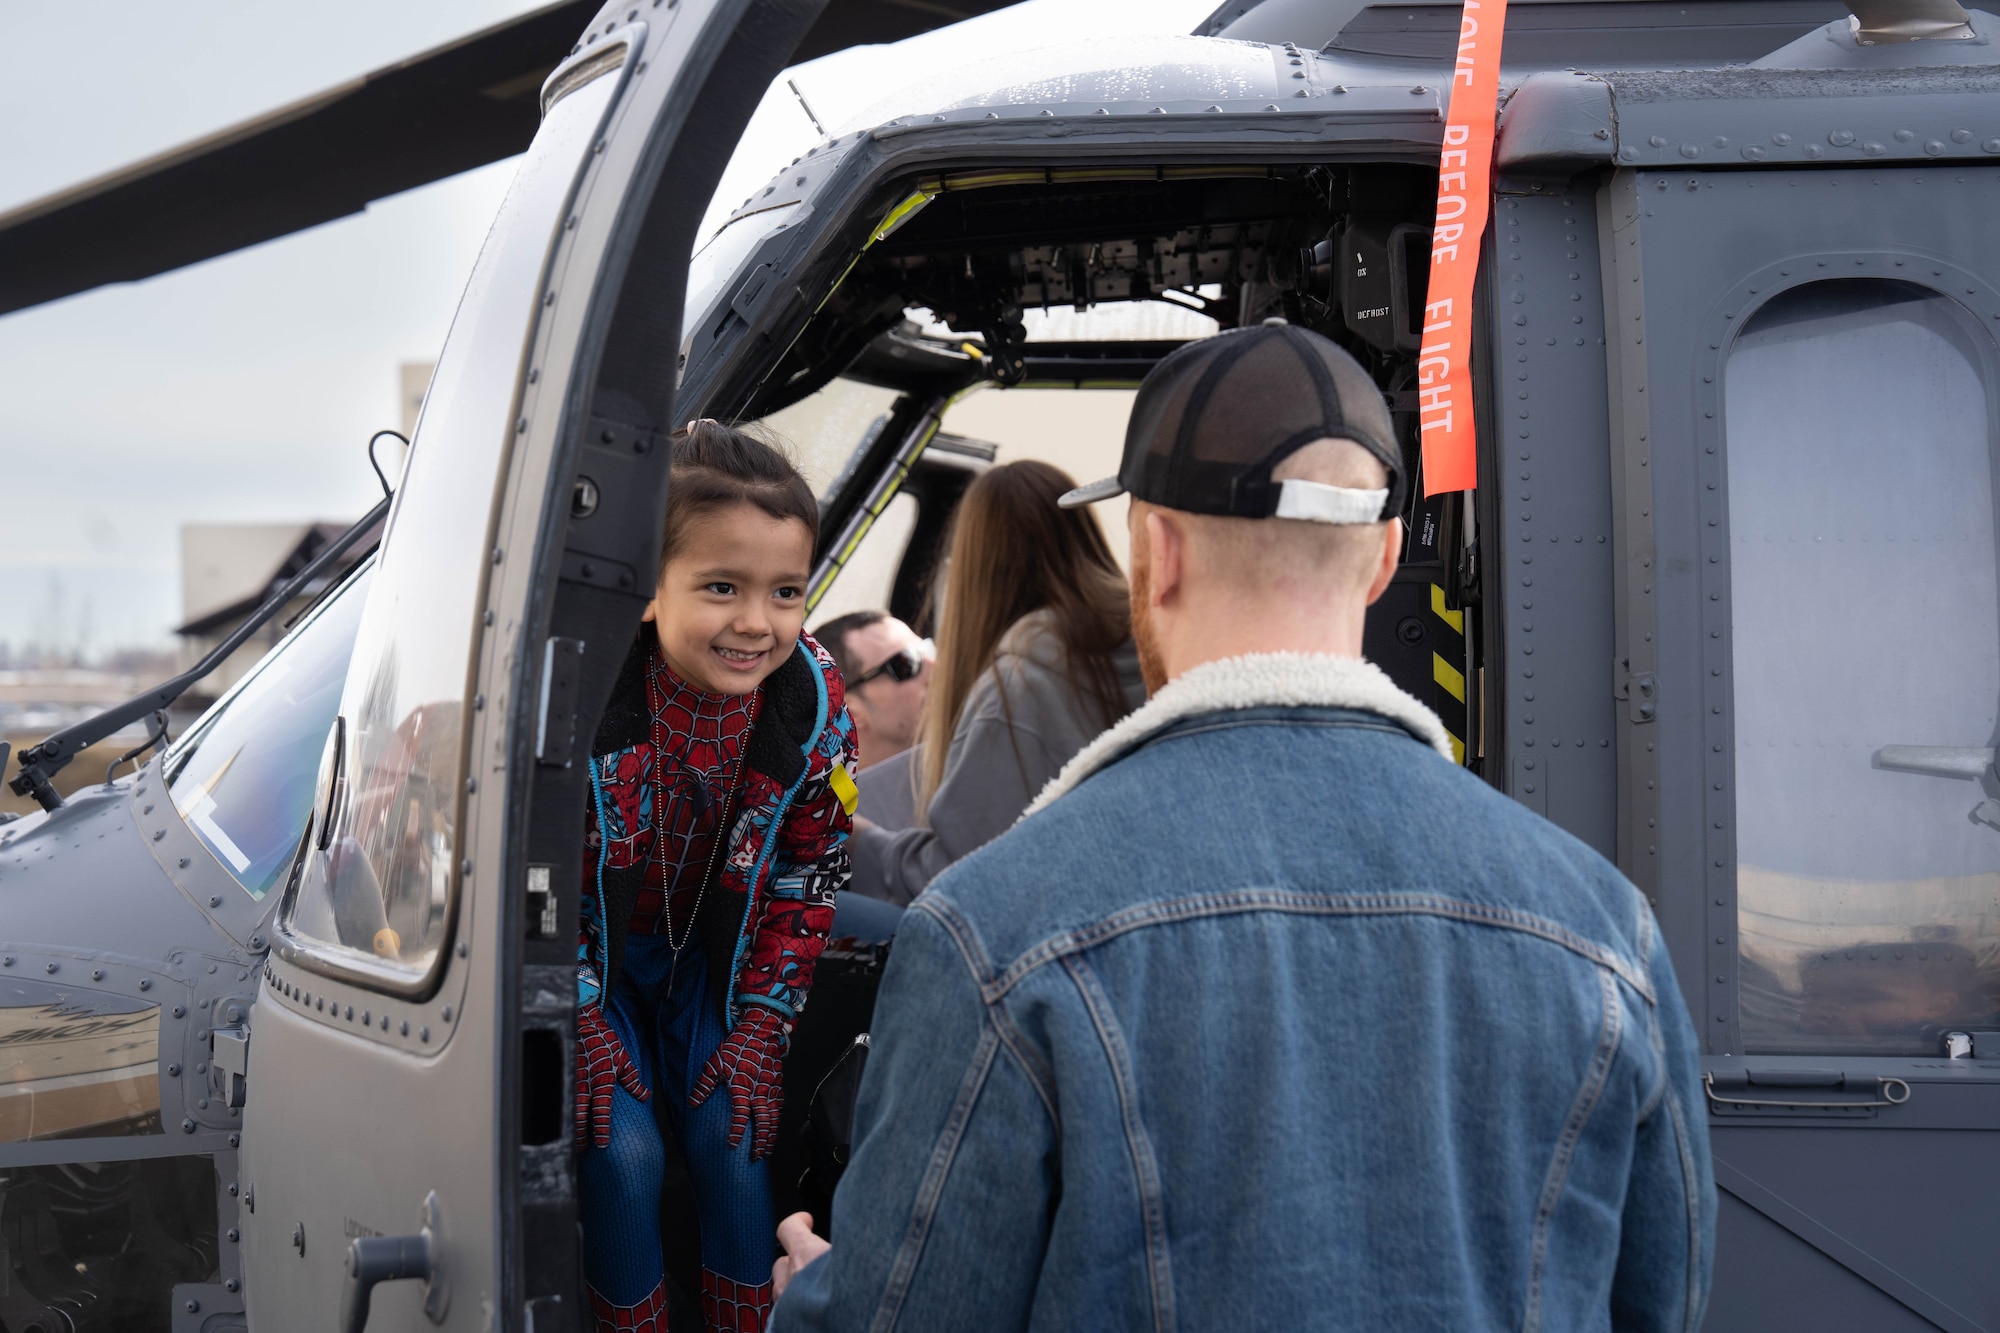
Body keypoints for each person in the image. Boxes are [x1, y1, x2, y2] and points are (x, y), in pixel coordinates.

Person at [768, 324, 1715, 1330]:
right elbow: (1665, 1301)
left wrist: (811, 1302)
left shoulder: (991, 929)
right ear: (1383, 556)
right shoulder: (1604, 925)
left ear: (1156, 553)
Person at [574, 421, 858, 1333]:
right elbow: (523, 880)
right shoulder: (578, 696)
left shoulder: (812, 704)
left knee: (738, 1142)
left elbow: (811, 869)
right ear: (648, 593)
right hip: (599, 968)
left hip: (719, 963)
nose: (756, 622)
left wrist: (766, 1023)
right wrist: (577, 1006)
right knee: (622, 1157)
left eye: (786, 592)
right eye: (721, 587)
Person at [846, 460, 1146, 905]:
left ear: (974, 567)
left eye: (916, 656)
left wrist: (851, 836)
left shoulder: (1014, 693)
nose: (930, 667)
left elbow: (954, 884)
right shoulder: (1150, 644)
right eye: (903, 665)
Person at [811, 610, 933, 832]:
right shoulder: (843, 830)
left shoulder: (973, 742)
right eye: (907, 663)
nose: (936, 667)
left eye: (928, 649)